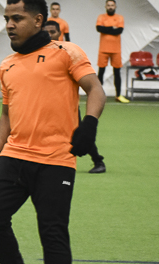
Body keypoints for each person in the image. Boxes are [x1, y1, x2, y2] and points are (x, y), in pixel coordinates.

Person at [0, 0, 106, 264]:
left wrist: (89, 124)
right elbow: (6, 113)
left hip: (56, 159)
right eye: (6, 18)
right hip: (15, 155)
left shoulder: (67, 53)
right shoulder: (7, 64)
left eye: (16, 18)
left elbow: (95, 89)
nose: (9, 24)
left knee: (52, 234)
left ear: (38, 20)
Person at [44, 21, 107, 173]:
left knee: (81, 133)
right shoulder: (35, 55)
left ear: (59, 34)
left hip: (67, 107)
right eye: (46, 32)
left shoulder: (69, 54)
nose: (49, 35)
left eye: (52, 32)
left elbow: (92, 85)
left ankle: (98, 161)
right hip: (44, 106)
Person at [96, 0, 129, 103]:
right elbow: (99, 28)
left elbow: (119, 31)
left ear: (115, 6)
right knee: (101, 72)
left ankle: (118, 95)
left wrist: (106, 29)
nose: (110, 7)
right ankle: (97, 95)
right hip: (103, 49)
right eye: (108, 5)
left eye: (112, 5)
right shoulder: (101, 17)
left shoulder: (120, 18)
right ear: (106, 6)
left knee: (117, 73)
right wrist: (112, 28)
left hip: (116, 50)